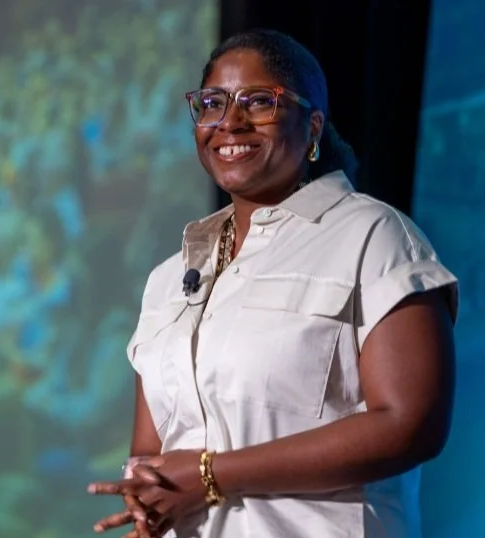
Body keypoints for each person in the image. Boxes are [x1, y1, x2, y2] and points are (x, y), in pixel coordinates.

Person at [87, 27, 458, 538]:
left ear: (312, 127)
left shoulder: (373, 236)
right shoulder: (168, 278)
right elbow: (152, 453)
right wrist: (147, 497)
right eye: (212, 103)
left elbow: (410, 424)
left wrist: (211, 476)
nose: (230, 122)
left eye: (259, 101)